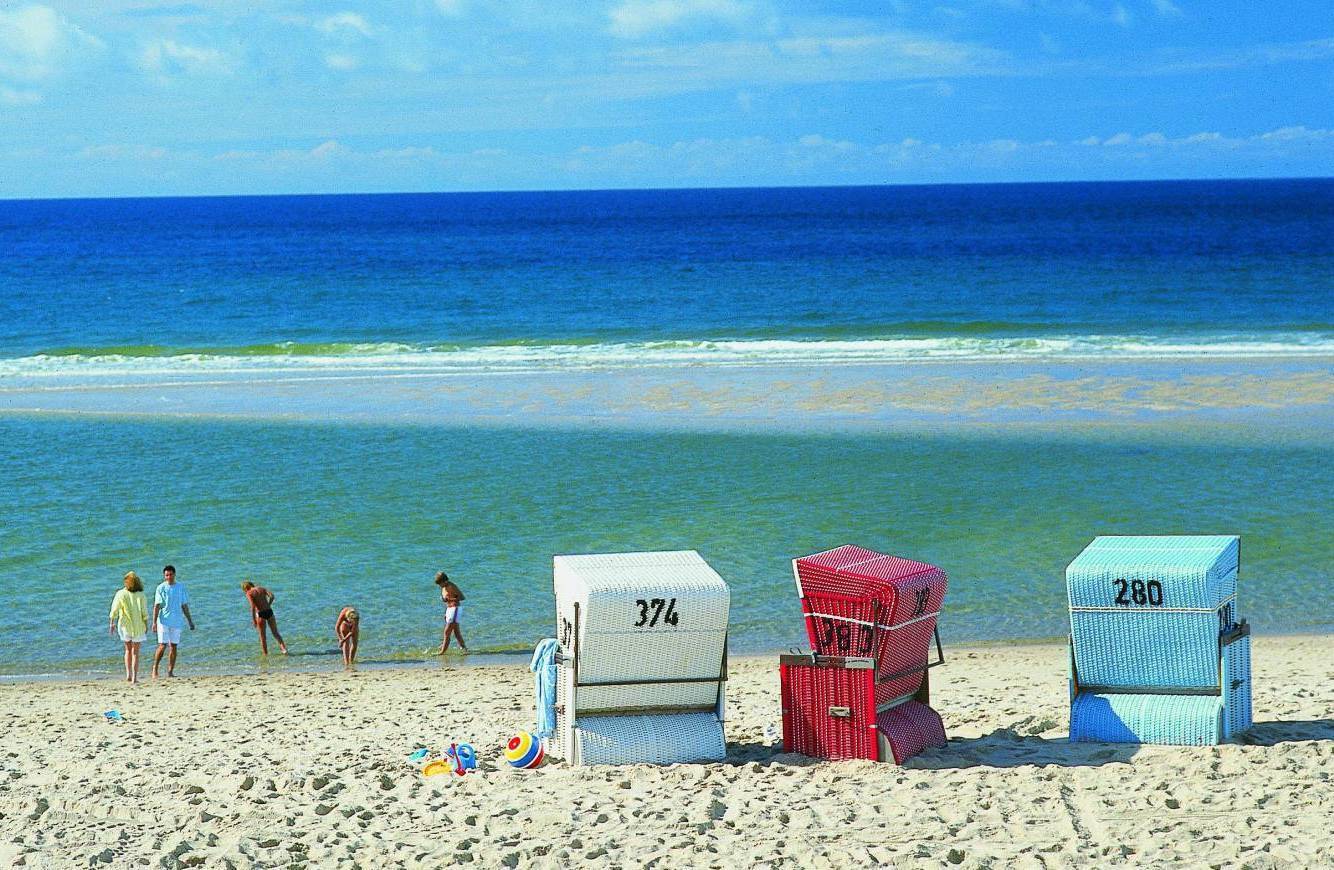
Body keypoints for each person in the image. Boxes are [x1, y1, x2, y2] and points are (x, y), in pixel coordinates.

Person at [151, 564, 195, 679]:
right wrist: (154, 622)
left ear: (174, 575)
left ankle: (170, 671)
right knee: (162, 645)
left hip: (177, 621)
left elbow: (184, 605)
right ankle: (155, 668)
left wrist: (190, 621)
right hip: (164, 621)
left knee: (174, 646)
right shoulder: (161, 588)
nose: (169, 577)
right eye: (167, 575)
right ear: (164, 576)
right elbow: (156, 605)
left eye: (170, 574)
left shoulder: (180, 587)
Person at [108, 571, 149, 683]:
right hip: (138, 626)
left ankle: (128, 674)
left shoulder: (121, 594)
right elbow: (144, 612)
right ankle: (134, 678)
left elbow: (114, 609)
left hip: (125, 626)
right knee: (135, 652)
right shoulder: (141, 595)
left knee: (127, 650)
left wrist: (111, 623)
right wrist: (146, 625)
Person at [241, 580, 288, 655]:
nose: (245, 592)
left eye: (244, 590)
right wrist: (268, 604)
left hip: (260, 614)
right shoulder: (261, 588)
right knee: (276, 633)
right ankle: (284, 650)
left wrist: (253, 620)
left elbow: (253, 607)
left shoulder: (249, 593)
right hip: (269, 611)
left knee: (263, 638)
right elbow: (272, 596)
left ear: (246, 588)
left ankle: (265, 656)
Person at [434, 571, 467, 654]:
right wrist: (446, 613)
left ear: (444, 581)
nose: (440, 586)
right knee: (456, 632)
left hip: (455, 608)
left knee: (447, 631)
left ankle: (442, 651)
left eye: (440, 584)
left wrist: (450, 599)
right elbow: (446, 600)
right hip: (449, 609)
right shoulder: (443, 587)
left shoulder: (451, 586)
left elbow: (462, 597)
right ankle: (464, 649)